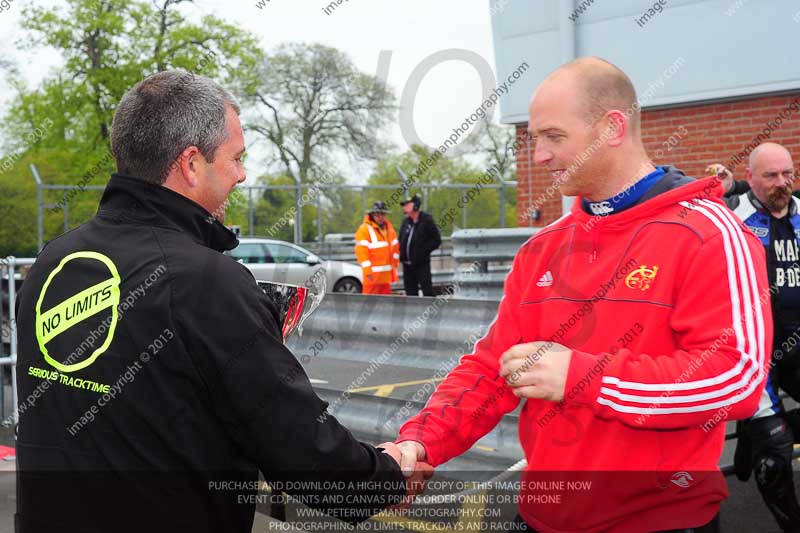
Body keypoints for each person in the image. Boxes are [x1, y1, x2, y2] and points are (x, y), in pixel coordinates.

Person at [13, 70, 429, 533]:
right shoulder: (206, 282)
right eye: (236, 158)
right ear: (191, 164)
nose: (242, 174)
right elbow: (299, 448)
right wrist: (388, 475)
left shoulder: (53, 260)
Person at [394, 57, 772, 532]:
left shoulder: (708, 232)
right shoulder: (541, 248)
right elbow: (492, 369)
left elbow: (735, 379)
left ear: (612, 127)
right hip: (541, 515)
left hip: (660, 521)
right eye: (535, 139)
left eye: (554, 136)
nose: (539, 156)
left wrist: (583, 376)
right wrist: (422, 442)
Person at [719, 143, 800, 532]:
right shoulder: (732, 216)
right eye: (770, 176)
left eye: (787, 174)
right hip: (755, 355)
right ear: (749, 178)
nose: (781, 183)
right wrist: (723, 188)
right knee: (776, 451)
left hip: (799, 347)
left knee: (775, 434)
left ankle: (756, 435)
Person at [399, 194, 441, 296]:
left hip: (421, 264)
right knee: (410, 293)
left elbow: (436, 240)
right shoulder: (406, 221)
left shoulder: (426, 220)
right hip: (407, 265)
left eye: (408, 204)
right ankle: (413, 311)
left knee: (427, 291)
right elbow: (400, 239)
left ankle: (430, 311)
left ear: (416, 206)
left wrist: (423, 251)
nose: (405, 207)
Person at [355, 201, 399, 295]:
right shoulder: (364, 229)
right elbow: (362, 252)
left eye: (382, 214)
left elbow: (395, 248)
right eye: (377, 214)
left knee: (385, 305)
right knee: (369, 305)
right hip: (372, 277)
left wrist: (394, 265)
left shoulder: (389, 229)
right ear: (372, 214)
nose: (380, 217)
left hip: (386, 277)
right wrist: (367, 271)